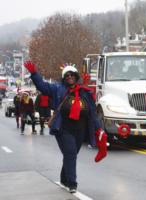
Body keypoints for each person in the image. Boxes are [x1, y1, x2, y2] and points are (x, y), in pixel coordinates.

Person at [24, 61, 107, 193]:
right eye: (66, 75)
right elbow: (42, 86)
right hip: (63, 129)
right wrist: (34, 74)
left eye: (72, 74)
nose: (69, 77)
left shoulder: (85, 92)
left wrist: (99, 129)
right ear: (64, 78)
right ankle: (72, 183)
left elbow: (92, 112)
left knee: (71, 155)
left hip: (81, 130)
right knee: (70, 153)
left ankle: (64, 178)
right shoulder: (58, 89)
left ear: (75, 76)